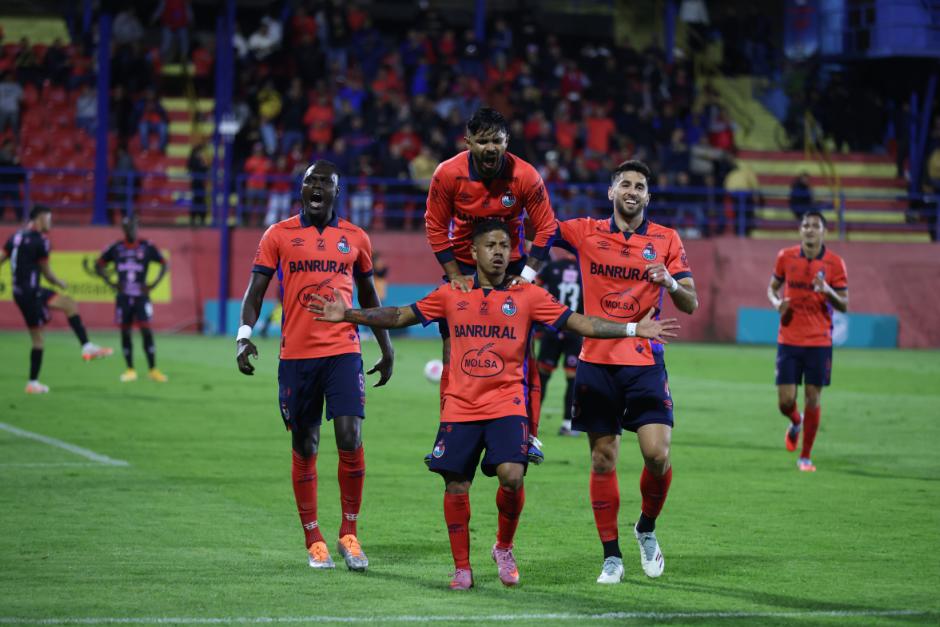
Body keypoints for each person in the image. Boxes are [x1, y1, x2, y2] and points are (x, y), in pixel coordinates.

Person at [309, 219, 679, 590]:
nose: (499, 252)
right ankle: (462, 568)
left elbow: (579, 323)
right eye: (491, 245)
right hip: (460, 408)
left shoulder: (527, 295)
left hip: (507, 406)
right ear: (473, 252)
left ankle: (503, 547)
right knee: (455, 485)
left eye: (505, 245)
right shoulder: (451, 293)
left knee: (513, 476)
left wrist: (632, 329)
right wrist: (349, 314)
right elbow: (401, 315)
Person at [235, 160, 394, 572]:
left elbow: (368, 296)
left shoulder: (355, 238)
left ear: (336, 192)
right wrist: (244, 335)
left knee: (350, 435)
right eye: (311, 182)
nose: (317, 187)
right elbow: (256, 290)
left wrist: (386, 346)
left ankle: (349, 534)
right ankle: (313, 538)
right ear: (301, 190)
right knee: (305, 445)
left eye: (325, 182)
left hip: (343, 351)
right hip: (296, 357)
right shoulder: (278, 234)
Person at [553, 160, 698, 584]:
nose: (632, 190)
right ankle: (611, 555)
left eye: (640, 186)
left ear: (648, 197)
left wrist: (670, 282)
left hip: (645, 361)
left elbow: (691, 303)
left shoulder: (666, 239)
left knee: (657, 455)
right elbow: (541, 225)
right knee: (603, 460)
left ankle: (646, 529)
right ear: (611, 192)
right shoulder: (585, 231)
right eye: (625, 184)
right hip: (597, 361)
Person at [424, 107, 557, 463]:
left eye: (496, 141)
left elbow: (547, 228)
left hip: (510, 263)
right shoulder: (447, 174)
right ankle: (447, 433)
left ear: (506, 142)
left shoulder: (526, 176)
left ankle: (529, 436)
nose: (490, 148)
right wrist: (453, 273)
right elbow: (436, 227)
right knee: (453, 352)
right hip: (464, 264)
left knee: (523, 354)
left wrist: (526, 277)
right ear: (468, 142)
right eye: (482, 141)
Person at [767, 211, 848, 472]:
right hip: (789, 337)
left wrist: (827, 291)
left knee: (813, 397)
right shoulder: (785, 256)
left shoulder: (835, 263)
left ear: (824, 231)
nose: (810, 230)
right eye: (806, 225)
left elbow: (844, 304)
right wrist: (778, 303)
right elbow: (771, 288)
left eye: (815, 226)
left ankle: (806, 456)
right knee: (784, 401)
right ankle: (795, 420)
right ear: (800, 230)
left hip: (819, 340)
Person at [0, 206, 113, 394]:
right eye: (48, 218)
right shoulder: (41, 241)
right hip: (32, 293)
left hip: (21, 293)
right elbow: (46, 273)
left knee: (65, 308)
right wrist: (60, 282)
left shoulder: (16, 237)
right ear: (38, 219)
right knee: (40, 336)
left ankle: (85, 348)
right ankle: (35, 381)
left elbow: (2, 257)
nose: (50, 222)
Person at [93, 215, 169, 383]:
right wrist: (111, 282)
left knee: (146, 331)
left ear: (137, 227)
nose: (131, 230)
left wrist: (153, 284)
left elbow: (165, 263)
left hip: (142, 297)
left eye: (133, 226)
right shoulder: (116, 248)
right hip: (123, 297)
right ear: (124, 229)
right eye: (128, 227)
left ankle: (153, 369)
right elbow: (98, 265)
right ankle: (130, 369)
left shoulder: (147, 246)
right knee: (125, 332)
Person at [535, 250, 583, 436]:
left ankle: (532, 424)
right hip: (575, 330)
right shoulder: (584, 269)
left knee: (542, 376)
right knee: (572, 379)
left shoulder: (552, 267)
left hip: (552, 329)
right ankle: (568, 424)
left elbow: (535, 287)